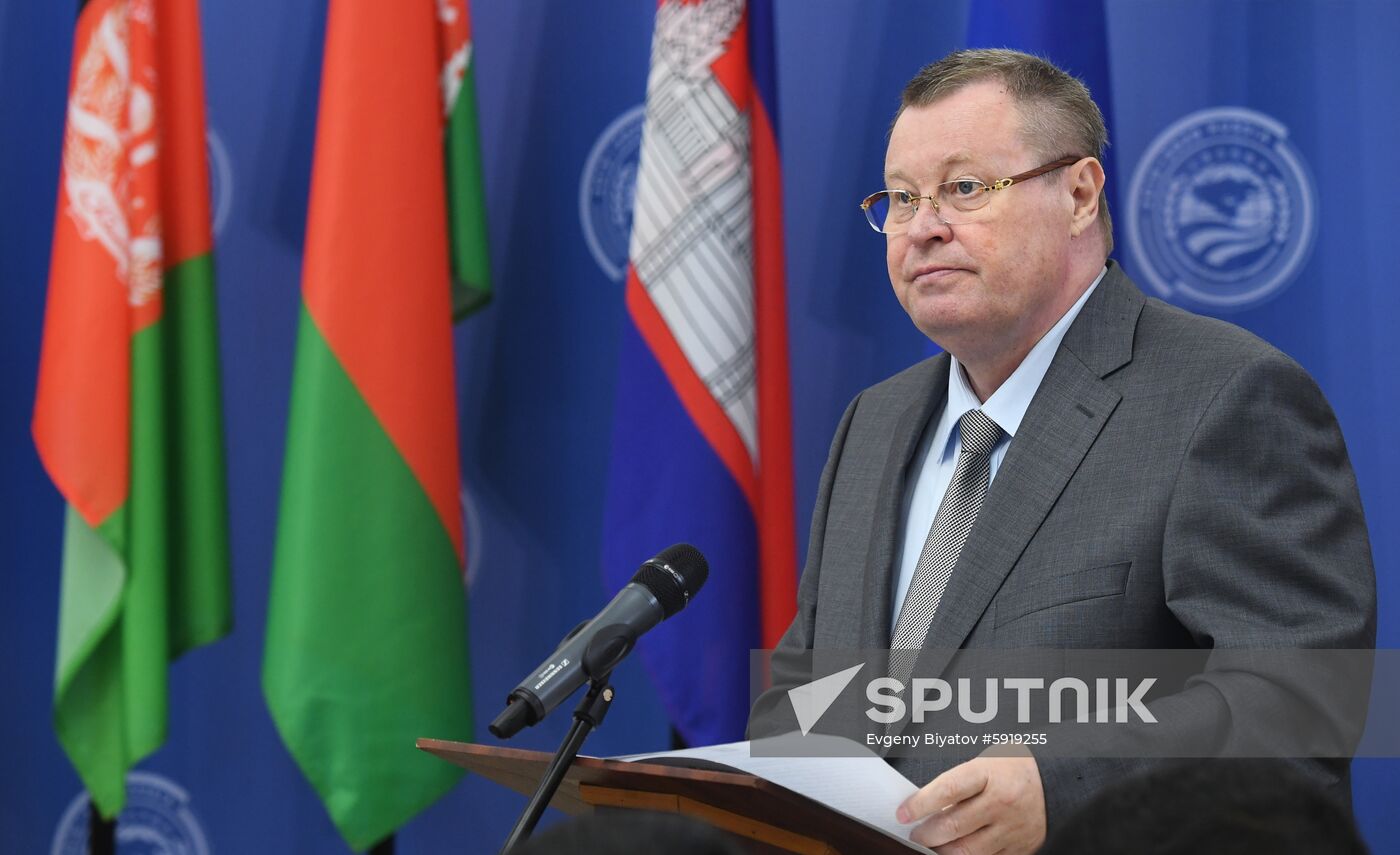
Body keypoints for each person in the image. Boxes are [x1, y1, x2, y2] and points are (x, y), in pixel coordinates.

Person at [748, 49, 1376, 855]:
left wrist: (1062, 784)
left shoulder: (1225, 396)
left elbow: (1298, 701)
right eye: (901, 199)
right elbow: (806, 695)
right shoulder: (873, 423)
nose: (925, 225)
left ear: (1079, 194)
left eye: (965, 188)